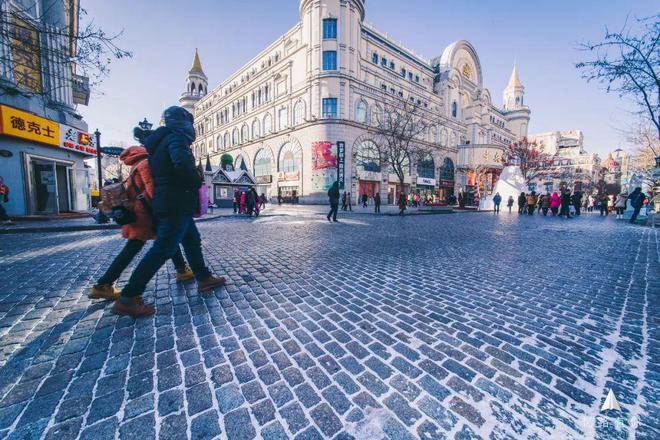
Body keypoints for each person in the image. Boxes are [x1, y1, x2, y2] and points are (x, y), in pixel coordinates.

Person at [112, 106, 226, 317]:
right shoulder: (176, 139)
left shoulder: (160, 141)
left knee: (192, 240)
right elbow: (182, 163)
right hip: (176, 201)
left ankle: (203, 277)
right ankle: (129, 296)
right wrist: (195, 180)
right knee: (163, 249)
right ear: (182, 122)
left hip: (169, 201)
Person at [89, 146, 194, 300]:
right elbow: (153, 190)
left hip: (140, 213)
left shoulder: (134, 166)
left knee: (168, 241)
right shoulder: (146, 164)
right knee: (136, 249)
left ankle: (181, 269)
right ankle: (104, 284)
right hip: (146, 215)